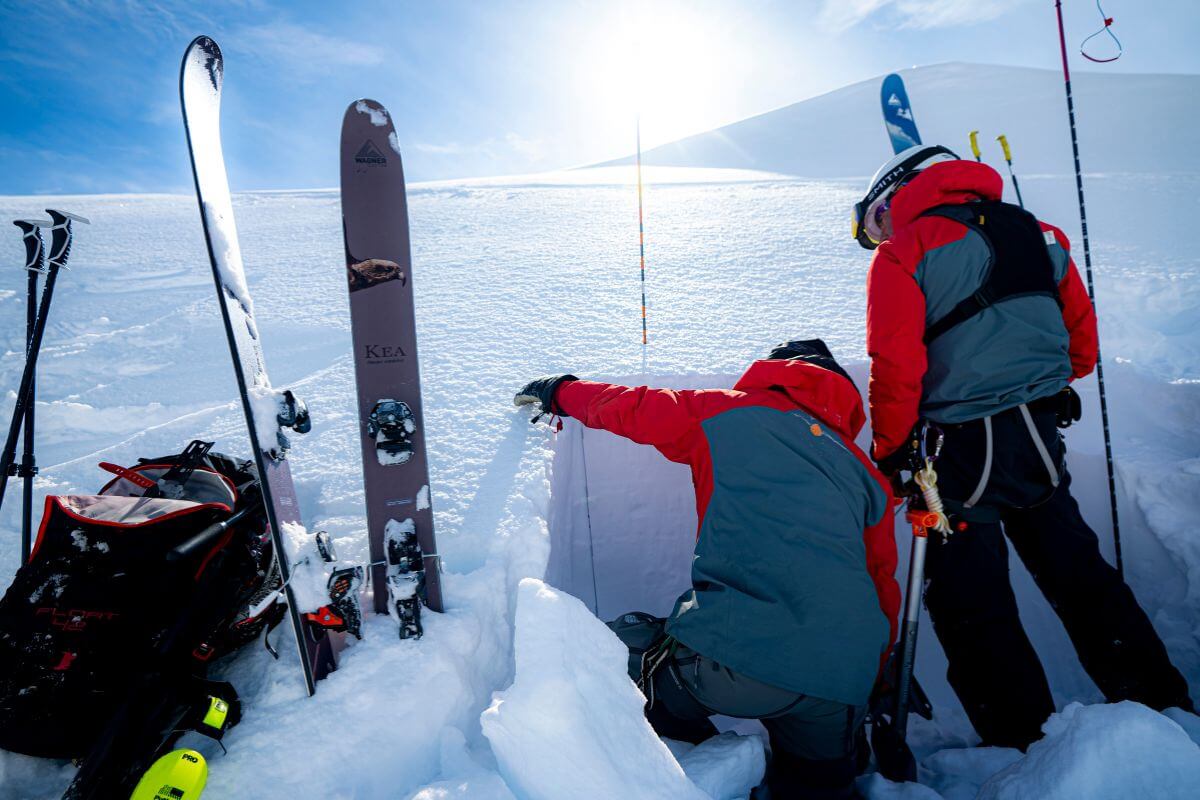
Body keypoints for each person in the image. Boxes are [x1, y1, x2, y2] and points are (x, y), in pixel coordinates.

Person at [856, 144, 1194, 750]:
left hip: (951, 456)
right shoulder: (1042, 234)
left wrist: (892, 448)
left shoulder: (904, 252)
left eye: (877, 217)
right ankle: (1162, 707)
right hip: (1038, 436)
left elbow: (896, 363)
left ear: (896, 194)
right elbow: (1081, 347)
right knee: (1081, 577)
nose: (879, 231)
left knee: (972, 604)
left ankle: (1025, 747)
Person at [515, 340, 900, 799]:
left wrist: (561, 392)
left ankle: (704, 772)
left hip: (738, 662)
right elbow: (883, 586)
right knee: (817, 788)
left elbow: (636, 408)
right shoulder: (864, 473)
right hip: (841, 678)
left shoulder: (730, 412)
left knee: (605, 659)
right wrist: (873, 676)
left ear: (775, 373)